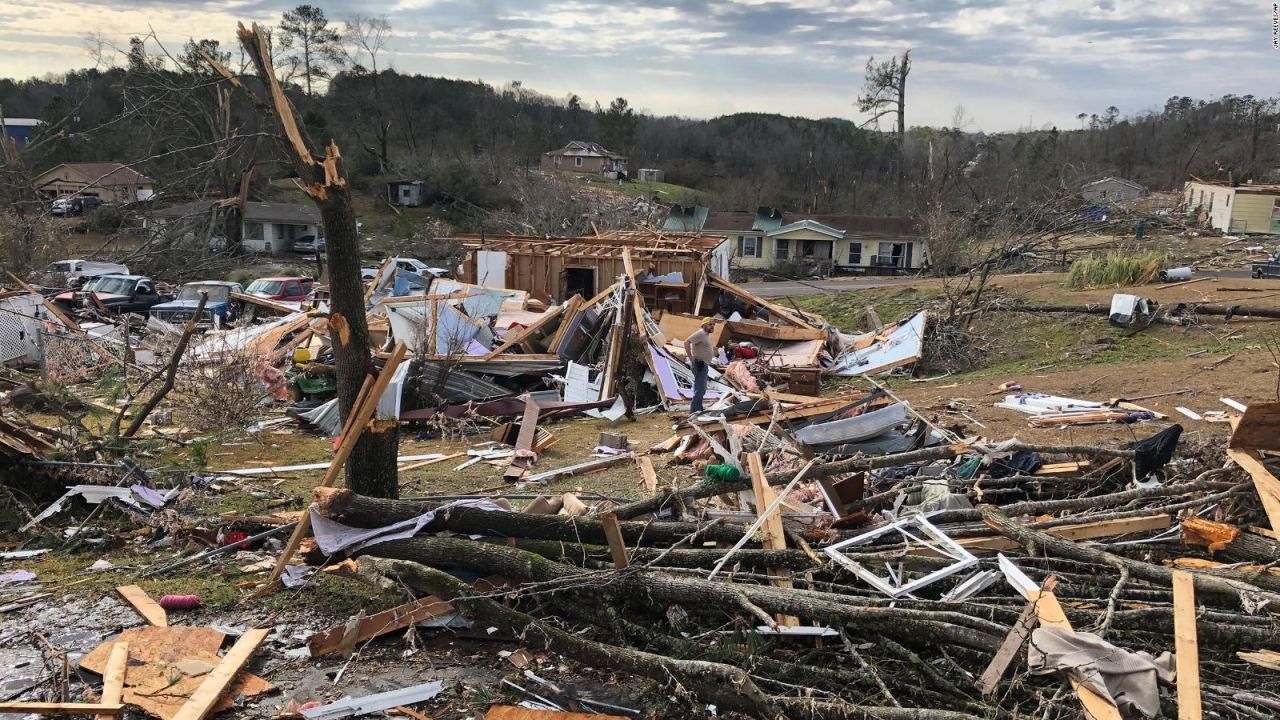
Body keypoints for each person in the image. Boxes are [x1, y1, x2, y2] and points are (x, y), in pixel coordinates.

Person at [683, 317, 716, 413]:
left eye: (713, 325)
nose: (712, 327)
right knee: (700, 389)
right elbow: (686, 342)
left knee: (702, 388)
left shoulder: (707, 335)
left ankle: (699, 408)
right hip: (699, 364)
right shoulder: (701, 333)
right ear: (704, 325)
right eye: (710, 324)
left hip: (704, 365)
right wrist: (692, 360)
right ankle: (694, 411)